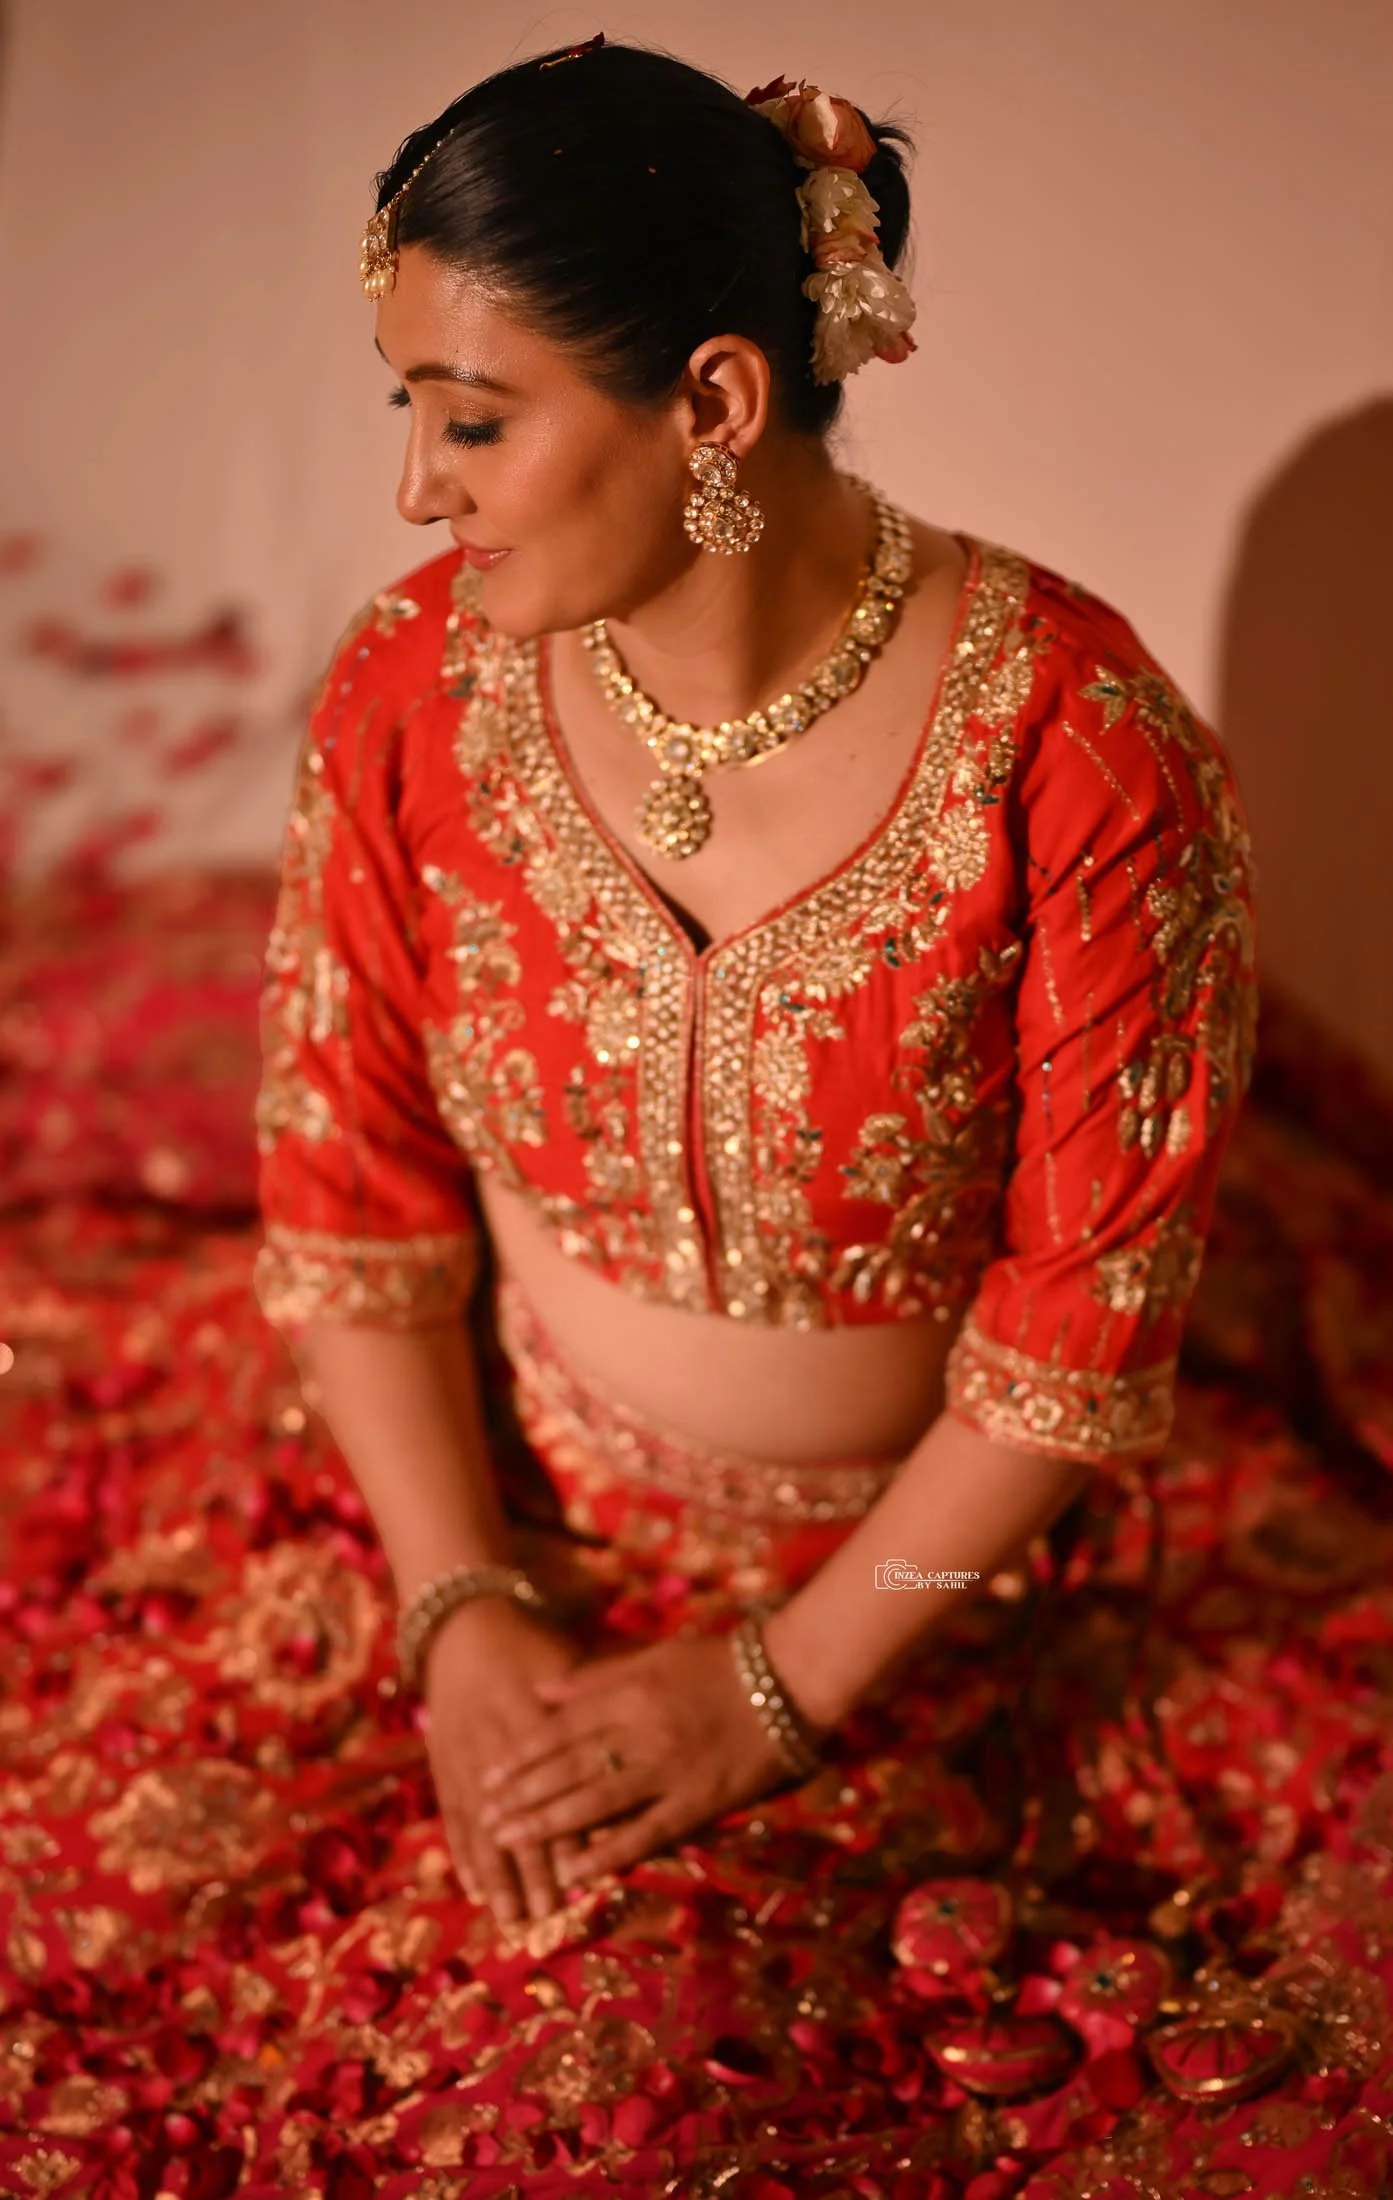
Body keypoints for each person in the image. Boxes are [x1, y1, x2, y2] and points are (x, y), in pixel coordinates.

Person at [253, 34, 1261, 2184]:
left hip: (939, 1602)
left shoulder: (1078, 753)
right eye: (405, 410)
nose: (416, 487)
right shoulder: (409, 689)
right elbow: (349, 1182)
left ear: (712, 402)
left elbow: (1082, 1330)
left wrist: (775, 1691)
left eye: (475, 418)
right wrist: (460, 1617)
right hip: (488, 1515)